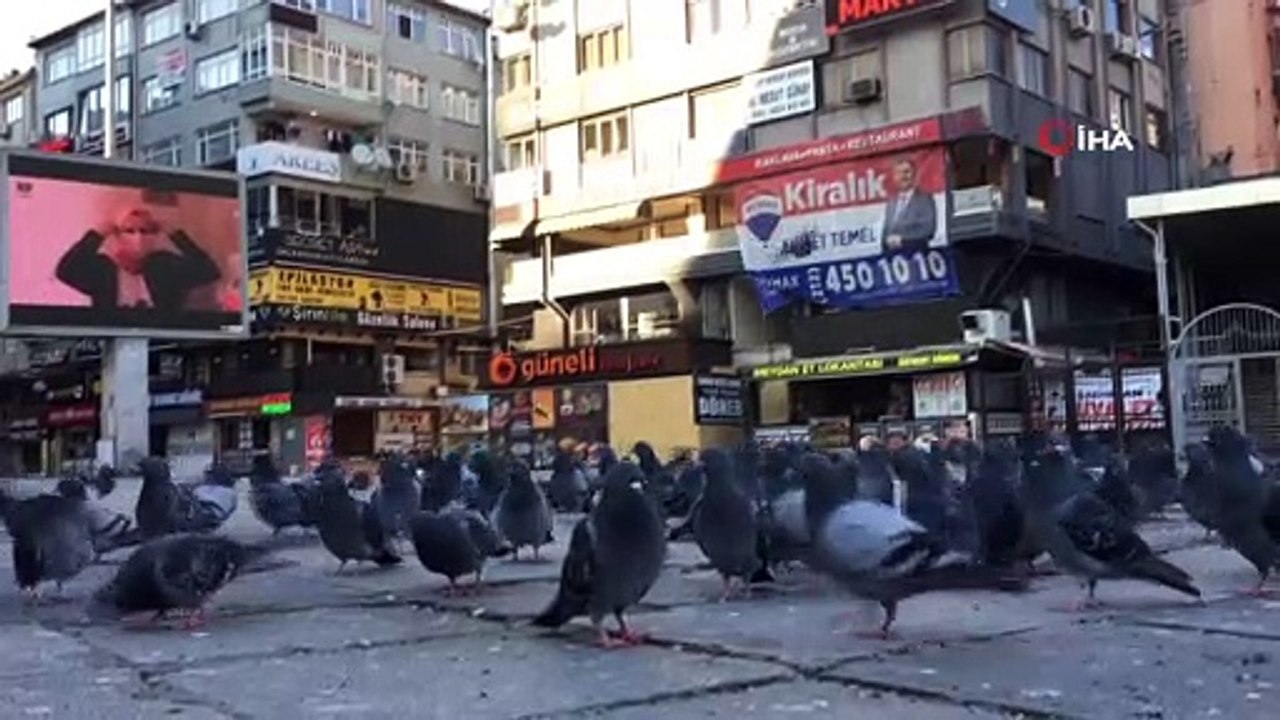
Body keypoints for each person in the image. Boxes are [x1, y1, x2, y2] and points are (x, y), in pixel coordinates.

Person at [54, 206, 222, 310]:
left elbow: (209, 272)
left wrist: (176, 234)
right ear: (117, 235)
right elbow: (66, 271)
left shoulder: (165, 265)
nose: (138, 238)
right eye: (130, 231)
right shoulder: (102, 269)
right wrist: (97, 235)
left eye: (144, 231)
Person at [879, 158, 938, 252]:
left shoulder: (925, 199)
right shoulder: (891, 203)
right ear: (894, 177)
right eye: (899, 173)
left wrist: (902, 240)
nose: (903, 176)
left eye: (906, 172)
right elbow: (886, 233)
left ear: (914, 175)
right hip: (894, 260)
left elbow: (928, 230)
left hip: (917, 256)